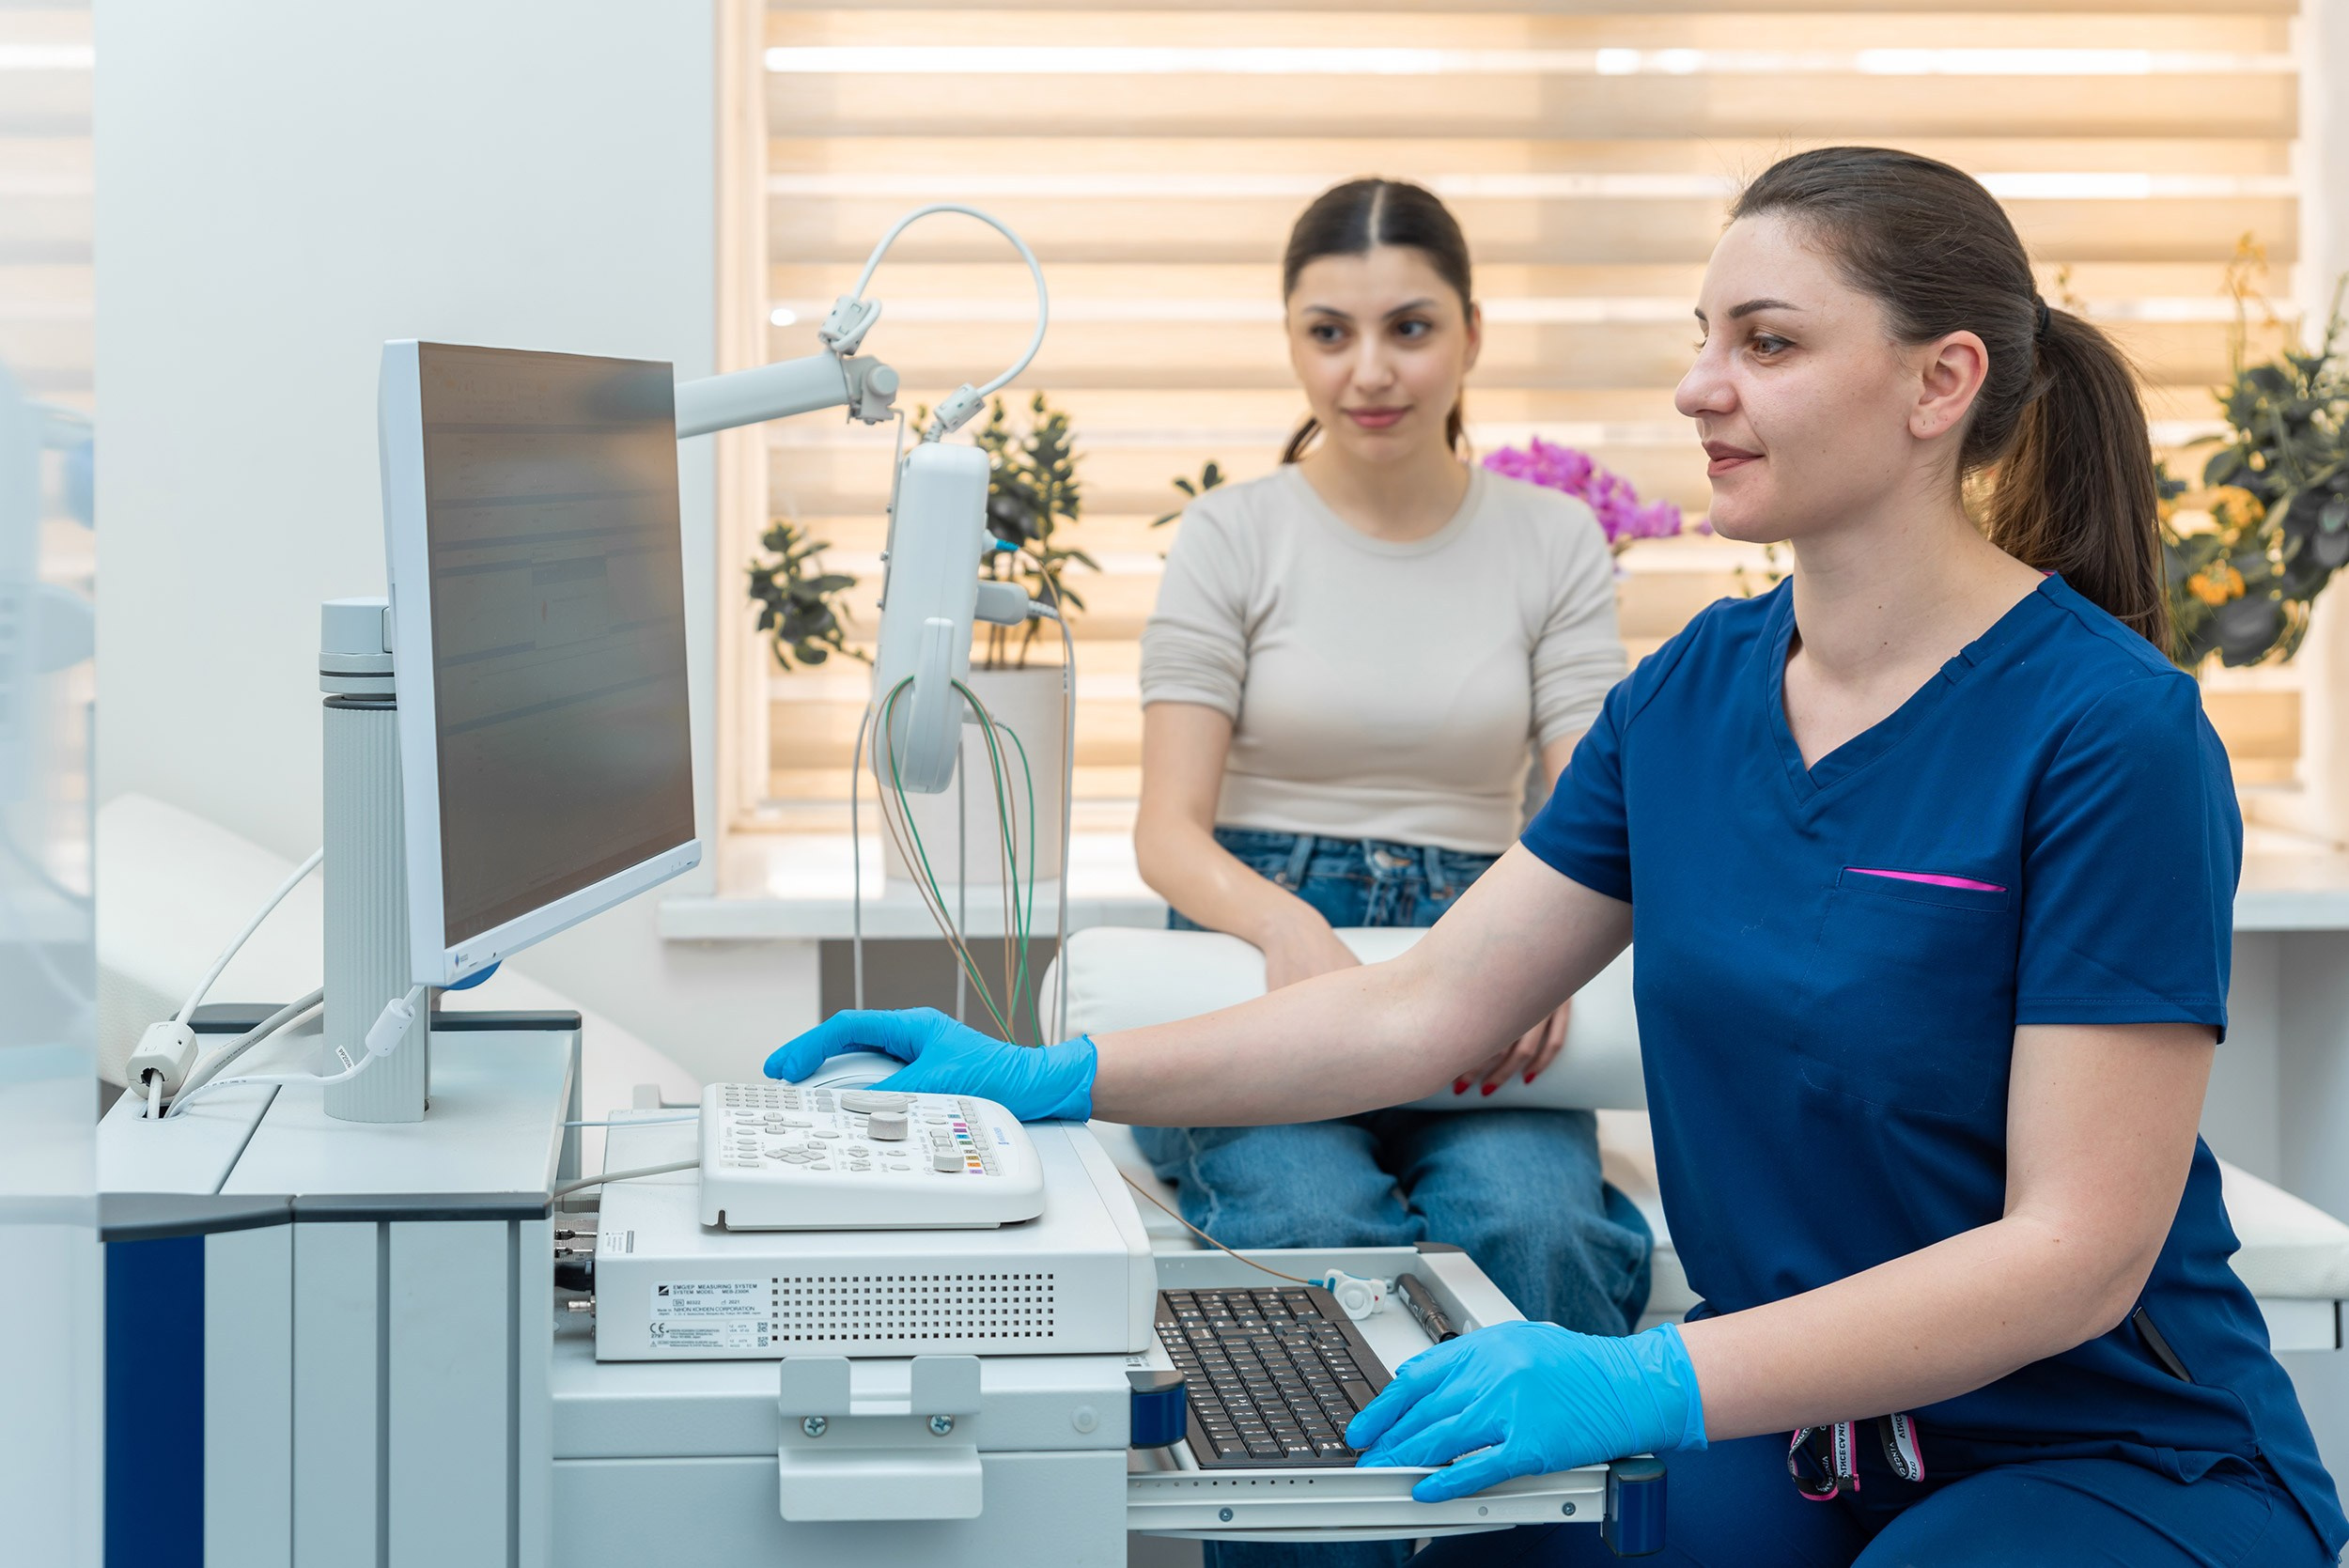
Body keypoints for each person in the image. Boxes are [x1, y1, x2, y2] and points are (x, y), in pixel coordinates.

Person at [768, 147, 2349, 1565]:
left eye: (1769, 343)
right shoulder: (1691, 698)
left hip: (2100, 1449)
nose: (1699, 388)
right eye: (1702, 337)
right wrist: (1052, 1073)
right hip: (1811, 1440)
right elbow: (1429, 1001)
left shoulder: (2109, 733)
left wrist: (1651, 1372)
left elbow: (2077, 1252)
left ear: (1941, 382)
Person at [1132, 177, 1652, 1371]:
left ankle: (1532, 1563)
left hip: (1484, 939)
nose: (1369, 370)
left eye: (1409, 328)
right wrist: (1292, 931)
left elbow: (1588, 806)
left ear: (1471, 334)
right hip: (1265, 949)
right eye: (1330, 333)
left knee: (1536, 1228)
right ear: (1294, 345)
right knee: (1305, 1231)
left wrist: (1538, 945)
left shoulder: (1552, 540)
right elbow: (1168, 832)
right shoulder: (1229, 534)